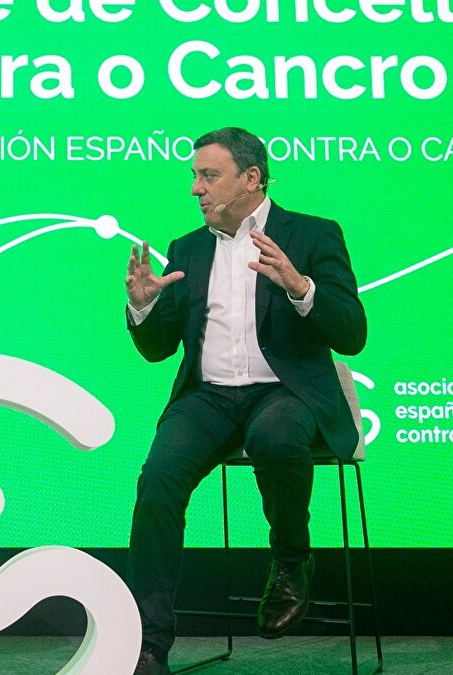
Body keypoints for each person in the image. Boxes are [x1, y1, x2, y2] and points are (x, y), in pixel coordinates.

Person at [124, 128, 367, 674]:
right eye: (195, 176)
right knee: (158, 479)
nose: (196, 188)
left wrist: (301, 288)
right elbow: (160, 349)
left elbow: (352, 333)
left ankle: (291, 559)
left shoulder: (312, 235)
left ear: (251, 178)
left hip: (285, 392)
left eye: (208, 176)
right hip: (208, 398)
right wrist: (142, 308)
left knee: (275, 436)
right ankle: (148, 643)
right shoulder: (187, 248)